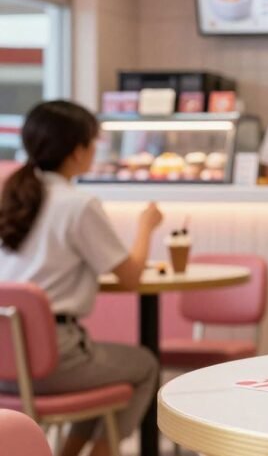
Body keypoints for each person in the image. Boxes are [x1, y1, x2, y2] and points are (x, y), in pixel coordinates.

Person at [0, 100, 162, 456]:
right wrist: (146, 228)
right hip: (54, 358)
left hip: (6, 361)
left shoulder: (12, 196)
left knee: (108, 373)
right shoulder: (78, 204)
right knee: (145, 364)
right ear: (77, 151)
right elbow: (132, 276)